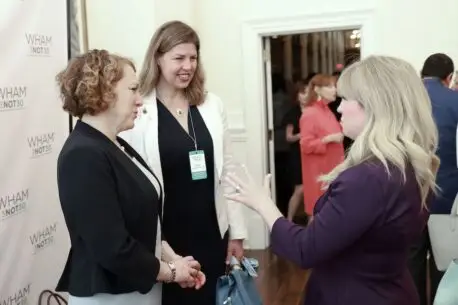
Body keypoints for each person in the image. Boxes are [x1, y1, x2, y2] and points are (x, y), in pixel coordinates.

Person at [225, 55, 440, 305]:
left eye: (346, 99)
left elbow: (306, 249)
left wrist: (263, 204)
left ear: (374, 106)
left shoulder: (368, 178)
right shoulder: (406, 165)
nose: (339, 107)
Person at [55, 49, 205, 305]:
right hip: (109, 296)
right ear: (103, 92)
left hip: (135, 291)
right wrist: (169, 272)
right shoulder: (83, 154)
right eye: (133, 89)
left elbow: (144, 224)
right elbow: (111, 247)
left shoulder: (114, 145)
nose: (140, 100)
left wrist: (173, 260)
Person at [120, 21, 247, 305]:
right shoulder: (139, 110)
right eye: (178, 58)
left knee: (212, 296)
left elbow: (228, 170)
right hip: (166, 239)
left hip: (212, 230)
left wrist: (237, 233)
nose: (187, 66)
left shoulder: (211, 104)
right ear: (158, 58)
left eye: (193, 58)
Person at [408, 53, 458, 305]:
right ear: (449, 78)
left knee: (411, 261)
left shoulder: (406, 101)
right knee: (445, 264)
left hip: (409, 196)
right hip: (447, 196)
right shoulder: (456, 100)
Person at [299, 74, 344, 219]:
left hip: (332, 169)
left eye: (334, 86)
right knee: (318, 214)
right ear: (317, 89)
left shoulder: (327, 111)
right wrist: (329, 139)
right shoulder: (310, 113)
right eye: (330, 86)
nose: (334, 89)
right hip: (319, 172)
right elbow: (306, 145)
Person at [282, 74, 314, 221]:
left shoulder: (314, 112)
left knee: (312, 189)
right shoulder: (293, 113)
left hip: (312, 153)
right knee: (300, 189)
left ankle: (311, 223)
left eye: (307, 93)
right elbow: (289, 137)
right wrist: (303, 135)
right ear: (297, 96)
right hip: (297, 154)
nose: (304, 96)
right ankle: (288, 220)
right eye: (302, 93)